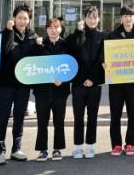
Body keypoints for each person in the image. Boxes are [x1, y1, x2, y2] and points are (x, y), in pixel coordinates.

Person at [31, 18, 84, 162]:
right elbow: (33, 66)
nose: (53, 30)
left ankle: (57, 149)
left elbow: (72, 65)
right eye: (50, 28)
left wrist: (64, 79)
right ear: (46, 29)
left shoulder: (66, 45)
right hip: (42, 91)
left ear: (61, 29)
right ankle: (42, 150)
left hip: (60, 91)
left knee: (59, 121)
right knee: (42, 122)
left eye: (56, 27)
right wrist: (37, 47)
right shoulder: (40, 44)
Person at [0, 4, 38, 165]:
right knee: (3, 117)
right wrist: (8, 31)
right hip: (6, 83)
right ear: (14, 18)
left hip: (23, 85)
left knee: (19, 117)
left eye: (25, 18)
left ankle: (16, 149)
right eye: (19, 17)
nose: (22, 21)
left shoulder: (33, 37)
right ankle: (0, 151)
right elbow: (4, 52)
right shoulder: (5, 33)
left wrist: (40, 45)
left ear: (29, 20)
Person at [67, 6, 105, 159]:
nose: (92, 20)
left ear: (99, 19)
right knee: (78, 117)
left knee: (92, 117)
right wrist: (79, 31)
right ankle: (78, 147)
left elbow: (102, 59)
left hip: (94, 84)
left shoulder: (102, 36)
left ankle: (90, 146)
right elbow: (73, 50)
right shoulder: (76, 34)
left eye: (95, 17)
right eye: (89, 17)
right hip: (78, 84)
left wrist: (93, 80)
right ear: (84, 18)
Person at [105, 6, 134, 156]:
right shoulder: (112, 35)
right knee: (115, 115)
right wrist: (104, 63)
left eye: (131, 15)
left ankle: (130, 144)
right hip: (116, 84)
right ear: (121, 18)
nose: (128, 18)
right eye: (125, 16)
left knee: (133, 115)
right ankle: (116, 144)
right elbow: (104, 55)